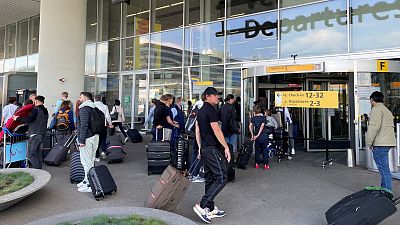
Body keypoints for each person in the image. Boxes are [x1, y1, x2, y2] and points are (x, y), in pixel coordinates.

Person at [193, 87, 230, 224]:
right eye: (215, 95)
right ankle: (202, 205)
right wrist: (226, 147)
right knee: (221, 177)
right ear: (207, 96)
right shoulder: (210, 110)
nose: (217, 97)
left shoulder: (201, 110)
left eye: (217, 95)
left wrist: (200, 148)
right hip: (212, 149)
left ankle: (210, 207)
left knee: (210, 178)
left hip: (205, 149)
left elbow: (198, 130)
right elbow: (216, 130)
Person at [366, 91, 396, 191]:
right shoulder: (386, 110)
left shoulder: (376, 109)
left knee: (384, 170)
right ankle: (385, 190)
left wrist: (369, 142)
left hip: (380, 143)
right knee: (384, 169)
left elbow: (373, 128)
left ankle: (387, 192)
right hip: (387, 142)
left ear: (372, 100)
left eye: (370, 100)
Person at [13, 96, 49, 169]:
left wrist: (17, 118)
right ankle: (40, 169)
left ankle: (37, 169)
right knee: (38, 153)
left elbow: (29, 119)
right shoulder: (45, 111)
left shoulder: (36, 109)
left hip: (34, 134)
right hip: (42, 134)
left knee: (30, 154)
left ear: (36, 101)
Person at [76, 92, 100, 193]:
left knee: (86, 162)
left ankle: (90, 184)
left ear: (85, 98)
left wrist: (81, 140)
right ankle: (86, 181)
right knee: (90, 160)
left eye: (80, 97)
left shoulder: (84, 109)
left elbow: (84, 125)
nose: (79, 99)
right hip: (95, 136)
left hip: (87, 138)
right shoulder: (95, 108)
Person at [249, 105, 270, 170]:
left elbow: (250, 126)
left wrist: (252, 135)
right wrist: (258, 135)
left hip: (256, 137)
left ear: (255, 111)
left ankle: (257, 164)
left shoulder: (253, 118)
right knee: (264, 150)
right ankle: (265, 165)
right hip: (263, 136)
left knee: (257, 150)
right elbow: (262, 127)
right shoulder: (263, 118)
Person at [94, 95, 113, 161]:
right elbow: (108, 116)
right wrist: (110, 124)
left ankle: (97, 157)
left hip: (94, 126)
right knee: (103, 139)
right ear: (101, 99)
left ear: (94, 99)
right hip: (103, 125)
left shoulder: (92, 105)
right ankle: (103, 151)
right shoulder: (105, 106)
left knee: (95, 141)